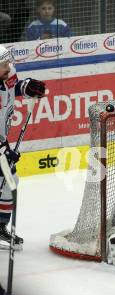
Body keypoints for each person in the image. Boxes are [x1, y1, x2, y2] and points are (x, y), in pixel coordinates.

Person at [0, 45, 45, 250]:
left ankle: (0, 227)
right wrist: (3, 150)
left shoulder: (8, 73)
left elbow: (13, 86)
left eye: (9, 63)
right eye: (3, 65)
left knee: (10, 180)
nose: (9, 67)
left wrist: (26, 87)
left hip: (1, 138)